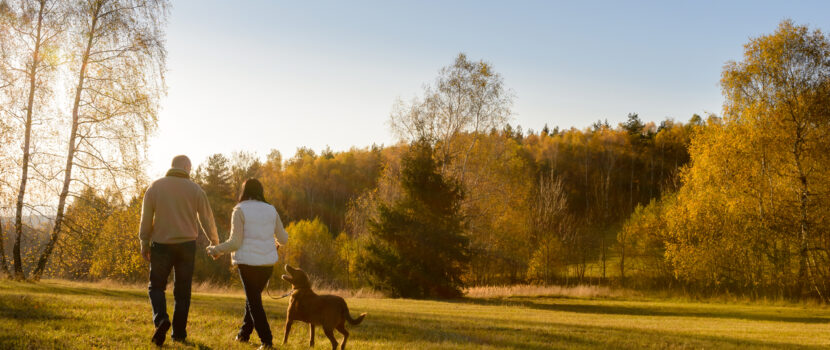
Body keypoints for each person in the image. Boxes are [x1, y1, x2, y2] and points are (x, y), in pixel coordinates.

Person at [139, 155, 220, 346]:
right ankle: (179, 334)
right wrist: (214, 242)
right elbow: (207, 218)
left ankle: (161, 320)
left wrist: (144, 241)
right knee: (182, 292)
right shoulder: (195, 189)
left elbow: (146, 217)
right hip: (186, 246)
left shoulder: (155, 186)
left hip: (161, 245)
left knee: (156, 287)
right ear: (186, 167)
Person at [207, 178, 289, 350]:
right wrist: (272, 240)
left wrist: (216, 249)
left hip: (247, 264)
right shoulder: (271, 210)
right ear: (261, 191)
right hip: (267, 265)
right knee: (252, 299)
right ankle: (243, 334)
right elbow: (283, 239)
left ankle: (266, 341)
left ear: (244, 191)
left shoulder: (239, 209)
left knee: (253, 302)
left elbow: (235, 242)